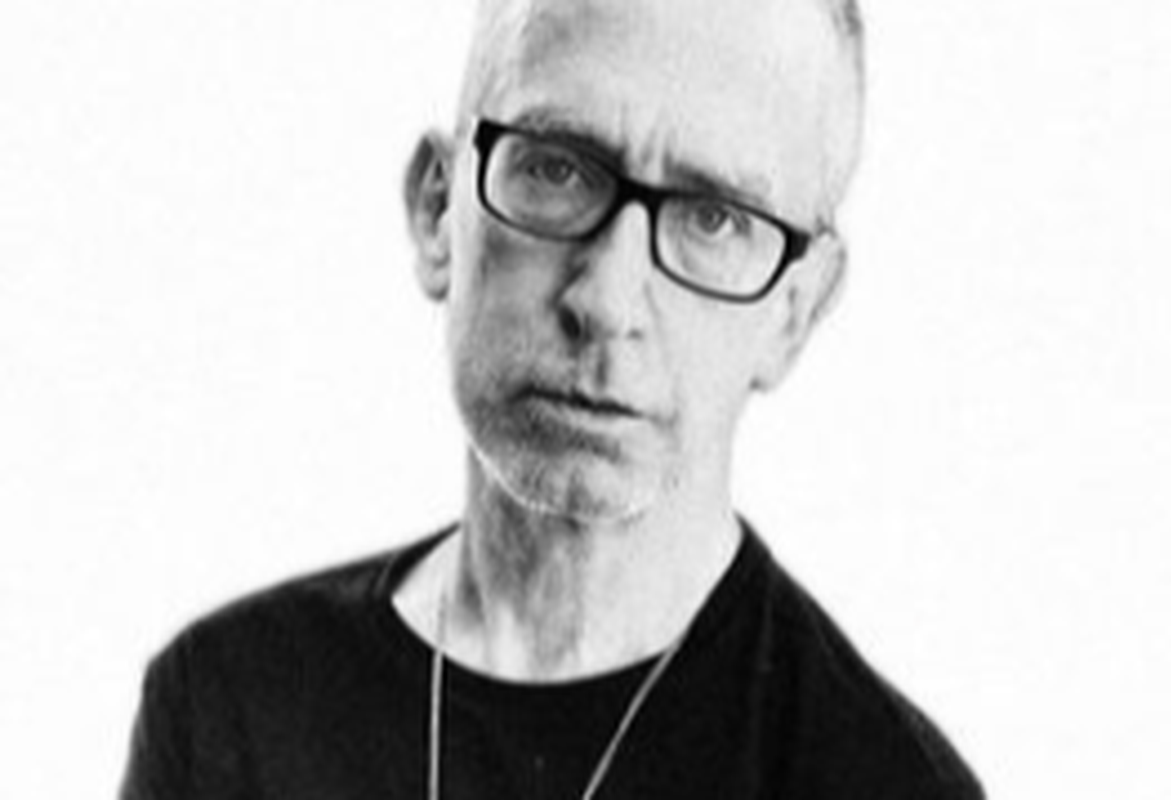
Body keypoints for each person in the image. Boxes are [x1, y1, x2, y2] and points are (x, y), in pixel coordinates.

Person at [121, 0, 985, 797]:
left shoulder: (886, 784)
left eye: (714, 217)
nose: (607, 301)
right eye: (559, 170)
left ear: (795, 312)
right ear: (438, 211)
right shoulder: (226, 701)